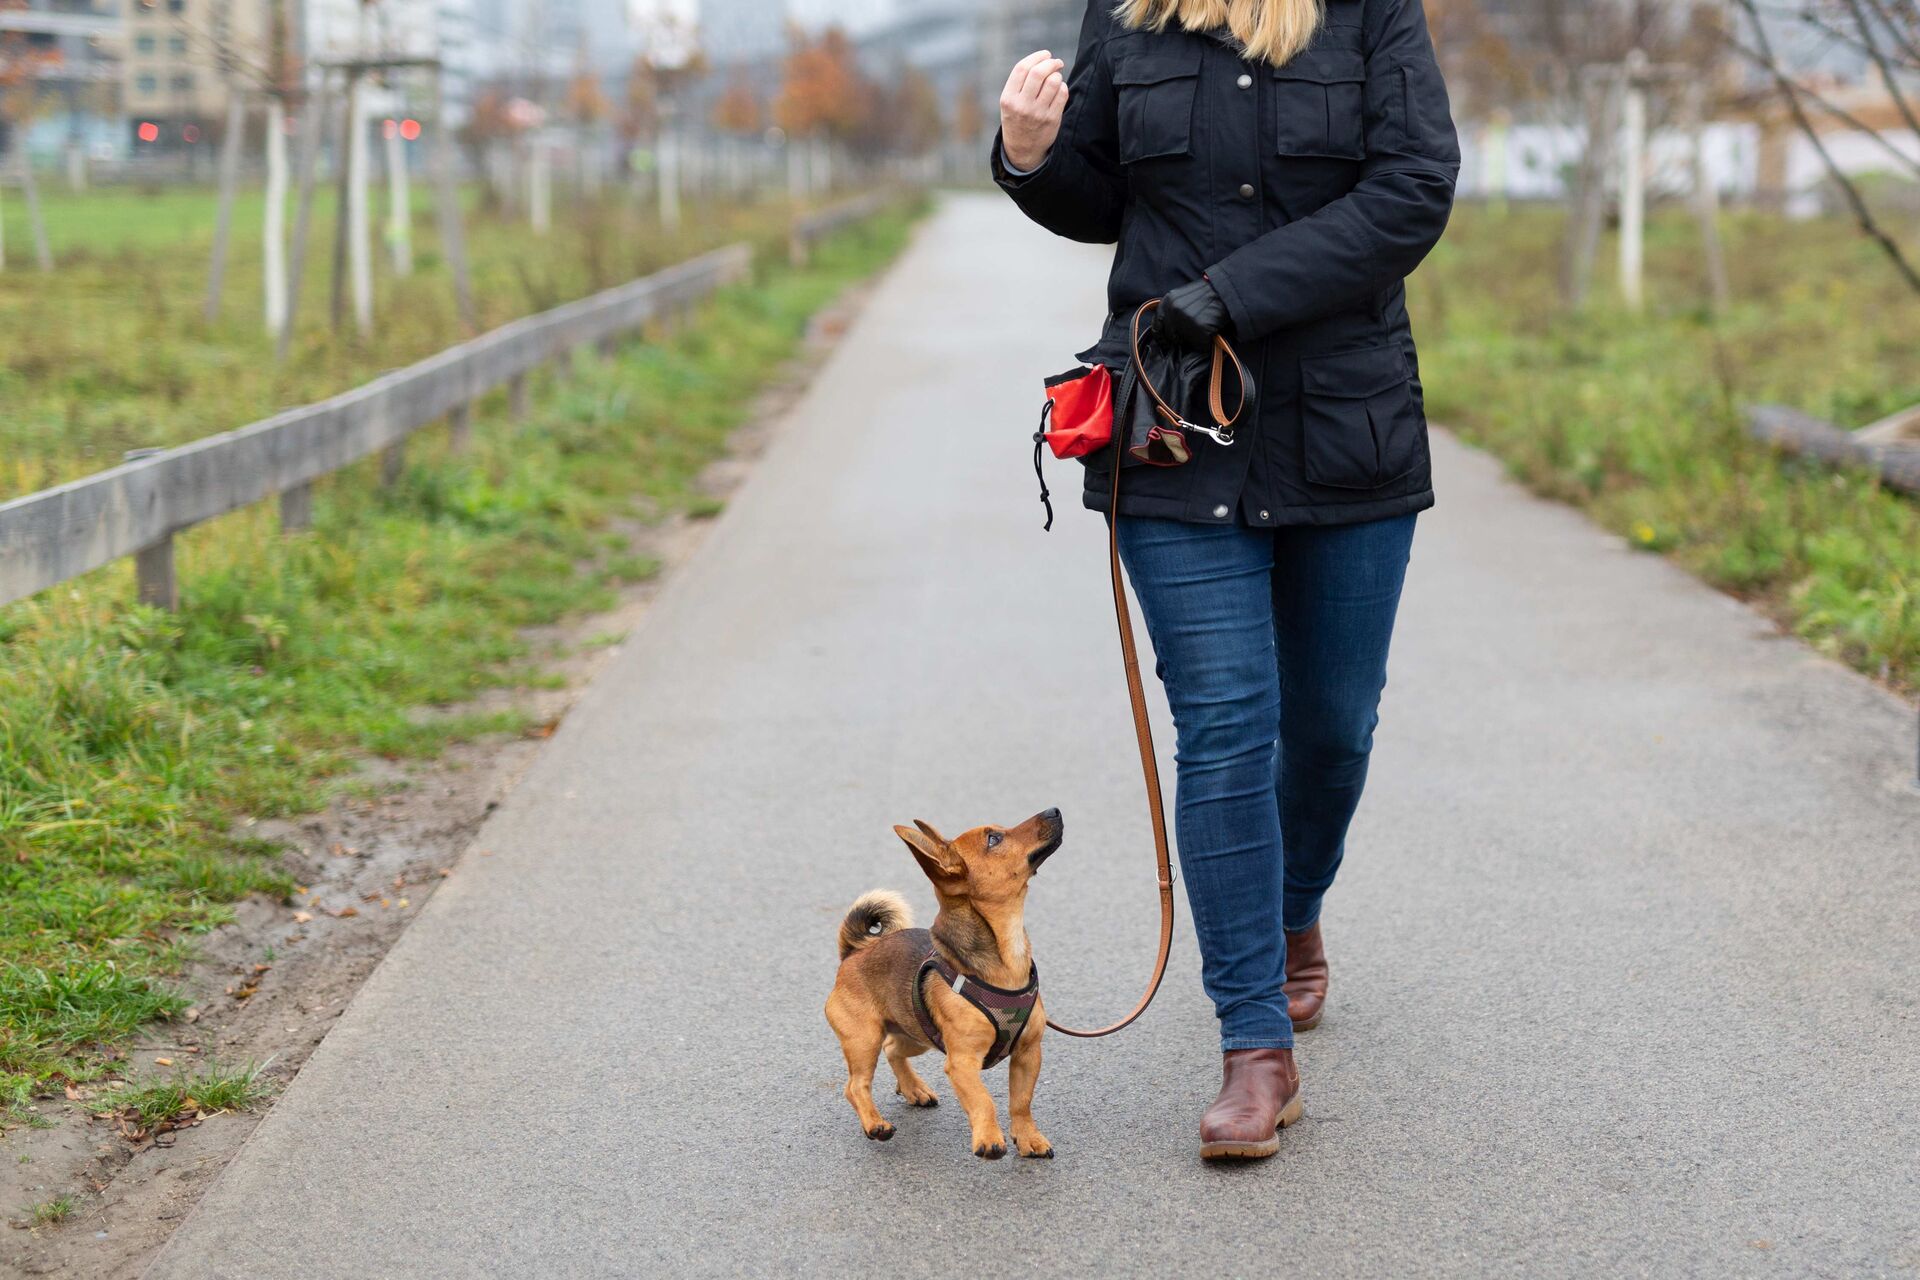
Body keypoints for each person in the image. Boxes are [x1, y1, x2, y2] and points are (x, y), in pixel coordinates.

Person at [991, 0, 1459, 1160]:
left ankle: (1294, 902)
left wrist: (1234, 296)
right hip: (1170, 427)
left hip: (1343, 426)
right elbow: (1105, 198)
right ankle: (1254, 1045)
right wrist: (1032, 154)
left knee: (1334, 728)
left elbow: (1412, 188)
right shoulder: (1129, 14)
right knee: (1227, 719)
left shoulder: (1369, 15)